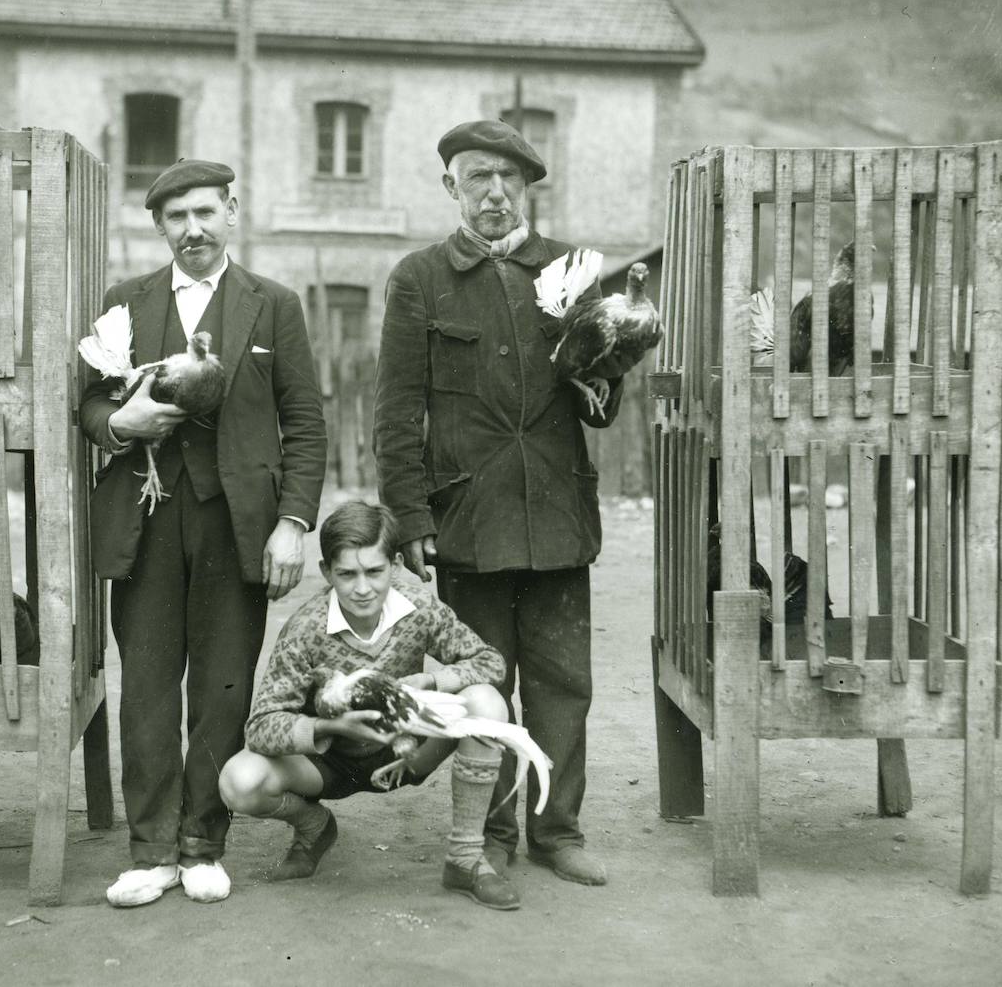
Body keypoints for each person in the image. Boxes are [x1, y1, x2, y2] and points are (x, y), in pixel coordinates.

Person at [372, 120, 623, 887]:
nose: (494, 193)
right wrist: (410, 517)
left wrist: (602, 386)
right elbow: (394, 409)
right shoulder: (420, 279)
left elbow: (602, 407)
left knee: (563, 683)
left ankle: (559, 829)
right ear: (452, 187)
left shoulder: (571, 274)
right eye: (477, 178)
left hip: (557, 515)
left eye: (509, 179)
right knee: (486, 685)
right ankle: (494, 833)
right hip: (468, 521)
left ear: (529, 187)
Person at [80, 159, 327, 907]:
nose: (193, 228)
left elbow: (306, 424)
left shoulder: (273, 306)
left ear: (232, 213)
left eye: (205, 213)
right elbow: (89, 402)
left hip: (236, 522)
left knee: (223, 686)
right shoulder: (126, 302)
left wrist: (291, 523)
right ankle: (151, 850)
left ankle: (202, 844)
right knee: (148, 685)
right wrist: (118, 422)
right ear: (159, 226)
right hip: (146, 518)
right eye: (177, 216)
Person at [219, 500, 520, 909]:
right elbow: (260, 725)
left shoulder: (421, 608)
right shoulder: (305, 628)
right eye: (347, 574)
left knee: (485, 701)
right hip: (329, 763)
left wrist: (435, 679)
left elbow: (490, 662)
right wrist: (330, 728)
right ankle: (314, 825)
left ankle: (465, 857)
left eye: (375, 571)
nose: (363, 588)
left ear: (395, 565)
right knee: (239, 780)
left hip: (408, 750)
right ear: (326, 572)